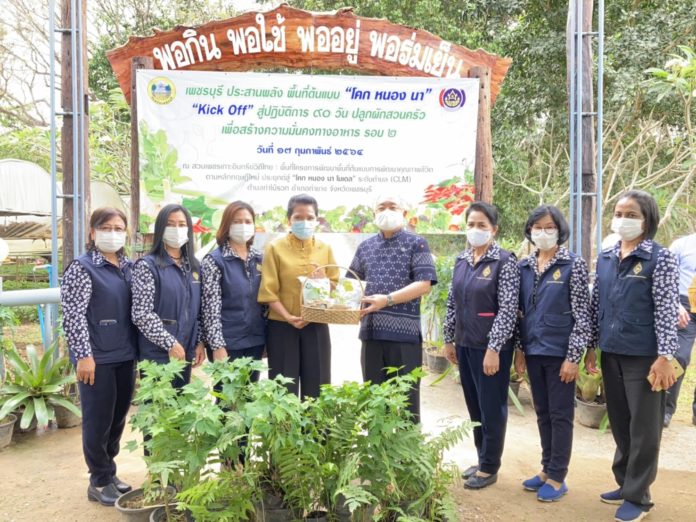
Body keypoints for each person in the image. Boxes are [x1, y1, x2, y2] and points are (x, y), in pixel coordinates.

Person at [588, 190, 679, 522]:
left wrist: (664, 355)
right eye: (618, 212)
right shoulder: (608, 255)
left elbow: (667, 309)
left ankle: (638, 497)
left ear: (647, 219)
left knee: (644, 428)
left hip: (645, 356)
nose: (622, 219)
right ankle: (625, 481)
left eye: (631, 214)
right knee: (622, 423)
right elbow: (597, 304)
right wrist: (590, 347)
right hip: (611, 351)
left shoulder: (660, 258)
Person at [513, 205, 591, 502]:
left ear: (559, 230)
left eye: (548, 227)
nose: (542, 232)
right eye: (536, 227)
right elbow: (521, 312)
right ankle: (546, 468)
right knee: (542, 412)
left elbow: (582, 316)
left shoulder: (573, 264)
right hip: (533, 349)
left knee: (560, 415)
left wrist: (573, 357)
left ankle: (558, 476)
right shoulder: (524, 266)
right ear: (529, 231)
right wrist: (520, 350)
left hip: (560, 352)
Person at [61, 207, 137, 506]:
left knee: (118, 417)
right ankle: (99, 480)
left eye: (119, 228)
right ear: (92, 232)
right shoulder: (81, 268)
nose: (114, 233)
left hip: (124, 352)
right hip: (96, 358)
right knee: (98, 419)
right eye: (107, 227)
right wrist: (83, 356)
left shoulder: (128, 266)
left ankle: (110, 470)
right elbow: (74, 316)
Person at [443, 201, 520, 490]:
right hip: (464, 344)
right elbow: (453, 302)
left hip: (491, 348)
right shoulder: (462, 260)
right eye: (471, 224)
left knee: (491, 407)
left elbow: (508, 308)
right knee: (475, 406)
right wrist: (448, 339)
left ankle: (490, 467)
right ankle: (481, 456)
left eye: (482, 226)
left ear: (494, 229)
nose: (475, 230)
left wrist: (494, 348)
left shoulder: (504, 261)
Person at [347, 194, 436, 423]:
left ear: (404, 213)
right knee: (374, 401)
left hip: (404, 337)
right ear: (374, 214)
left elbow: (424, 284)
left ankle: (408, 458)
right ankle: (376, 457)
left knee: (407, 404)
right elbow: (352, 285)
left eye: (393, 206)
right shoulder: (365, 247)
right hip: (372, 335)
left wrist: (386, 299)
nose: (387, 211)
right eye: (381, 207)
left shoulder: (417, 243)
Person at [257, 194, 338, 399]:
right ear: (289, 220)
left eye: (310, 218)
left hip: (317, 324)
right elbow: (268, 291)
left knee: (318, 388)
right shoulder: (275, 248)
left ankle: (317, 432)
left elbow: (335, 285)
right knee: (284, 391)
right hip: (282, 327)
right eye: (298, 217)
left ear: (317, 220)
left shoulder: (325, 248)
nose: (305, 222)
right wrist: (289, 317)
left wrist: (324, 281)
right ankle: (285, 432)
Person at [131, 204, 205, 388]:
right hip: (157, 356)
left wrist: (200, 342)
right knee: (158, 410)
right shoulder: (147, 266)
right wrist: (170, 343)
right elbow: (141, 314)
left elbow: (199, 310)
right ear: (160, 229)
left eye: (181, 224)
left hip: (185, 351)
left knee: (181, 411)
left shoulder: (194, 267)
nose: (177, 229)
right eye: (170, 224)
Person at [201, 200, 265, 377]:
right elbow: (209, 309)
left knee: (251, 398)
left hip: (255, 341)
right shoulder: (214, 261)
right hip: (228, 343)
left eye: (247, 221)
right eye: (236, 221)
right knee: (226, 400)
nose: (243, 226)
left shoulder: (260, 258)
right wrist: (217, 346)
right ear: (226, 225)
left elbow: (265, 303)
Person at [663, 231, 696, 427]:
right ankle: (665, 409)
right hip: (684, 309)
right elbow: (665, 278)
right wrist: (675, 304)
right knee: (679, 357)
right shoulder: (682, 245)